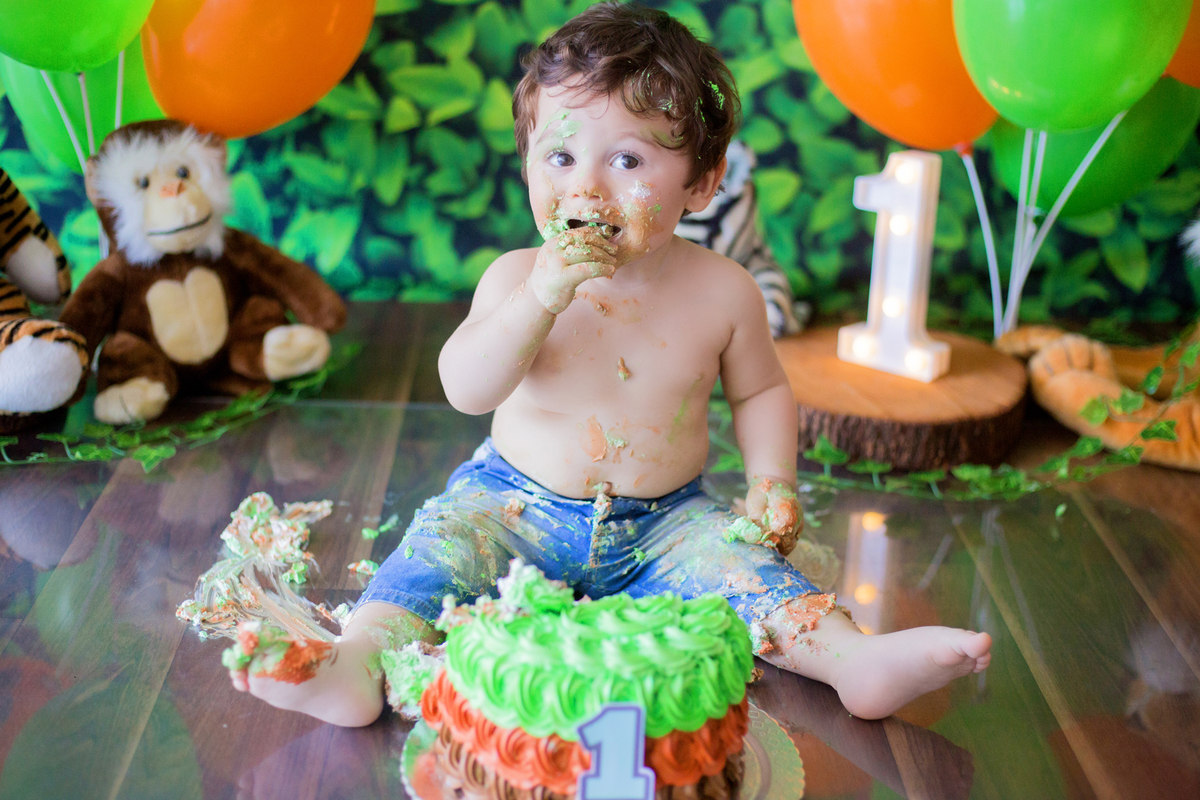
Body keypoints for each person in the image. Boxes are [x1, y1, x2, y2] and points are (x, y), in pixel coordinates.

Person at [231, 1, 991, 727]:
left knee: (750, 578)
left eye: (627, 158)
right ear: (527, 162)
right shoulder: (513, 276)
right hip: (510, 505)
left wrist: (772, 483)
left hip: (667, 520)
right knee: (435, 556)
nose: (585, 187)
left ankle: (854, 663)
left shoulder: (723, 292)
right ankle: (356, 666)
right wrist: (540, 297)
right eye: (559, 155)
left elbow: (760, 390)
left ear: (701, 180)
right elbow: (466, 389)